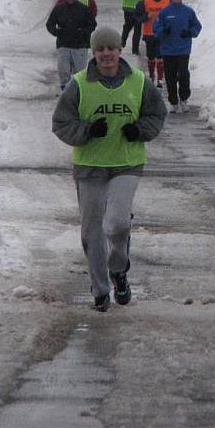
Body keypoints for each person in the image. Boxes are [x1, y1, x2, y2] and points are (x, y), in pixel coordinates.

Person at [51, 27, 167, 312]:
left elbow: (157, 114)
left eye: (111, 48)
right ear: (94, 52)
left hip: (126, 163)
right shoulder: (78, 84)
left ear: (119, 50)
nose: (106, 54)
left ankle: (119, 269)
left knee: (117, 224)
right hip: (89, 167)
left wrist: (139, 130)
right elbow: (61, 123)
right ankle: (100, 291)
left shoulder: (138, 81)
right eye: (100, 49)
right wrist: (87, 131)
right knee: (92, 231)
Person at [153, 0, 202, 113]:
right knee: (170, 76)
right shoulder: (164, 12)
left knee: (184, 74)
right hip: (168, 50)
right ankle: (173, 102)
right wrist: (164, 31)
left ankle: (184, 99)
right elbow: (156, 28)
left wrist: (190, 32)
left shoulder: (188, 12)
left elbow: (197, 26)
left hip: (183, 49)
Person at [46, 0, 96, 92]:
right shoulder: (59, 9)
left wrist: (83, 32)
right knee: (63, 70)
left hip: (80, 45)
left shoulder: (83, 9)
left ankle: (79, 91)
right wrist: (57, 32)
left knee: (79, 72)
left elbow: (92, 24)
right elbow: (49, 24)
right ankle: (65, 91)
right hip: (63, 44)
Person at [134, 0, 170, 88]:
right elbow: (137, 16)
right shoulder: (144, 1)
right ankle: (151, 76)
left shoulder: (167, 1)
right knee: (151, 57)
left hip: (162, 33)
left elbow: (172, 13)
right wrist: (146, 16)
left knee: (160, 56)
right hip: (149, 33)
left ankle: (160, 79)